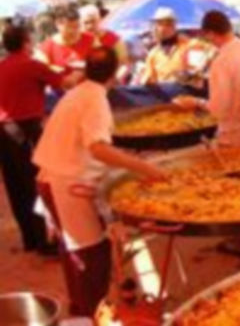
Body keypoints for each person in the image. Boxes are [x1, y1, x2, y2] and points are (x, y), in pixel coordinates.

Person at [33, 47, 167, 316]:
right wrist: (144, 167)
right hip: (67, 182)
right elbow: (98, 148)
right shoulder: (94, 98)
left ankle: (81, 311)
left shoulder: (79, 93)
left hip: (52, 177)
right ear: (116, 73)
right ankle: (92, 314)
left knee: (73, 251)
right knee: (89, 255)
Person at [0, 26, 77, 256]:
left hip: (4, 130)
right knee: (36, 183)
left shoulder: (3, 65)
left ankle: (31, 240)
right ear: (25, 42)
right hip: (25, 128)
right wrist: (77, 71)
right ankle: (43, 242)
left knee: (15, 187)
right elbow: (64, 83)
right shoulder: (31, 64)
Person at [174, 11, 240, 147]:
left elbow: (219, 109)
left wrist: (196, 102)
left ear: (210, 33)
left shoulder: (221, 61)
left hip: (236, 136)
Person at [140, 7, 211, 84]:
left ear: (174, 25)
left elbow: (213, 52)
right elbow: (149, 81)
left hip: (188, 92)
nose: (162, 28)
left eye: (168, 24)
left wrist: (198, 71)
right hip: (166, 94)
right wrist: (143, 78)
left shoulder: (190, 44)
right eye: (159, 24)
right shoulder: (153, 54)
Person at [79, 4, 130, 83]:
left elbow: (125, 65)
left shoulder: (113, 39)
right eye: (86, 23)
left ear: (100, 20)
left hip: (110, 84)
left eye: (93, 21)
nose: (90, 26)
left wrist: (116, 79)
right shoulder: (78, 40)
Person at [36, 5, 95, 73]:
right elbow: (39, 68)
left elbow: (103, 62)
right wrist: (61, 70)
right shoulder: (47, 46)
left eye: (77, 26)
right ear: (58, 24)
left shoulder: (90, 39)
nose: (74, 31)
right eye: (70, 27)